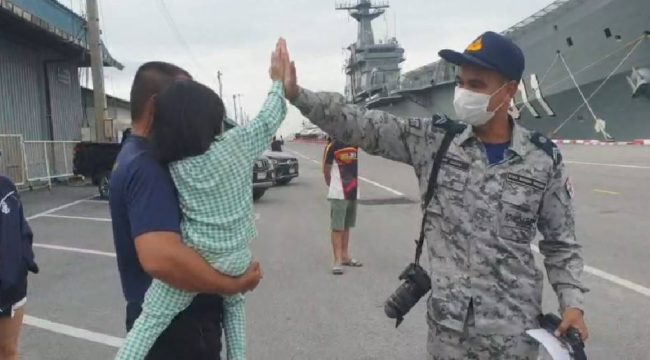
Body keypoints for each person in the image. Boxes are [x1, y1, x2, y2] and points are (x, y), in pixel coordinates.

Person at [283, 32, 588, 359]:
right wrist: (299, 96)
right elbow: (365, 125)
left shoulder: (543, 160)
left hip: (514, 336)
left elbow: (560, 242)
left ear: (509, 91)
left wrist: (573, 305)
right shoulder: (434, 141)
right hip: (449, 335)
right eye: (461, 83)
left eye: (477, 85)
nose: (464, 93)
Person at [116, 38, 291, 360]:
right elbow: (268, 119)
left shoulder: (170, 162)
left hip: (197, 269)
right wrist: (278, 82)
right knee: (236, 318)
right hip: (219, 283)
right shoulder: (153, 165)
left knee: (146, 328)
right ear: (157, 107)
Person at [0, 170, 38, 360]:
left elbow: (21, 228)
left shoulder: (6, 186)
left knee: (9, 350)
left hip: (12, 287)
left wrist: (24, 260)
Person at [322, 137, 362, 275]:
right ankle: (337, 260)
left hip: (352, 189)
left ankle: (345, 256)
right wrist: (331, 184)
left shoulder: (355, 142)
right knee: (337, 226)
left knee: (346, 224)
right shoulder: (332, 145)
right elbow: (326, 169)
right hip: (339, 191)